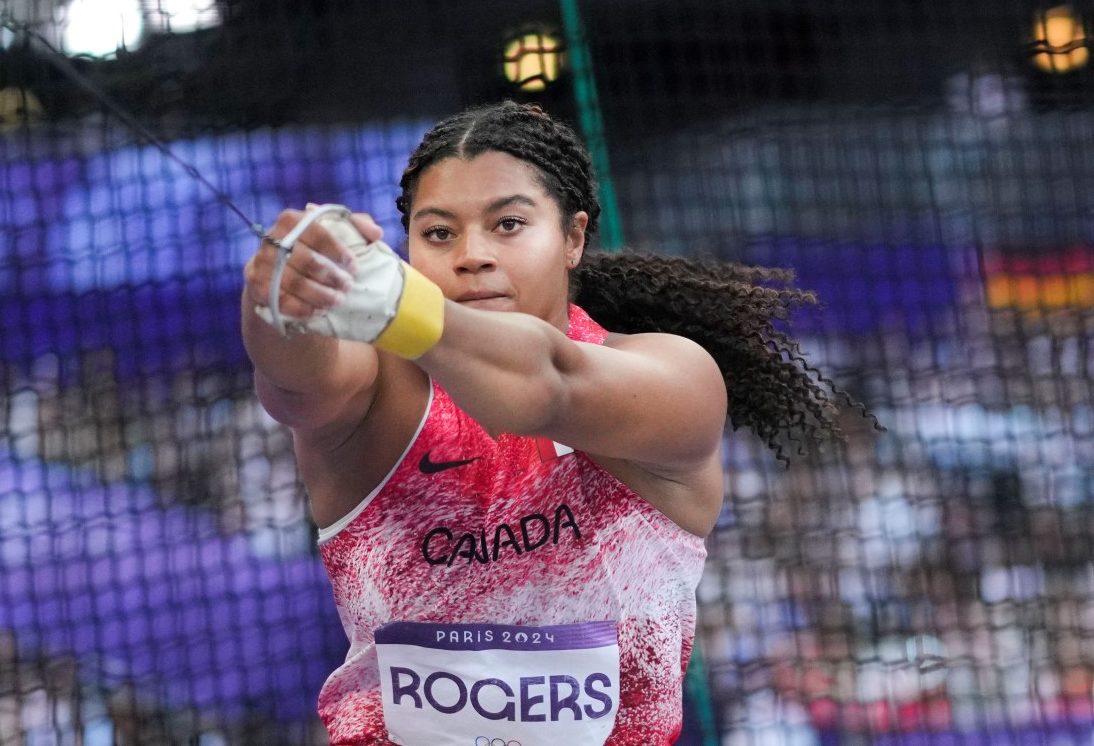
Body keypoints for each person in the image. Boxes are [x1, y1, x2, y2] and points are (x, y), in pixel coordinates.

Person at [241, 100, 863, 746]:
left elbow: (546, 384)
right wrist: (279, 304)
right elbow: (294, 380)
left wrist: (404, 303)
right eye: (438, 233)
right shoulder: (377, 389)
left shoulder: (673, 377)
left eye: (508, 223)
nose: (472, 255)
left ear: (573, 238)